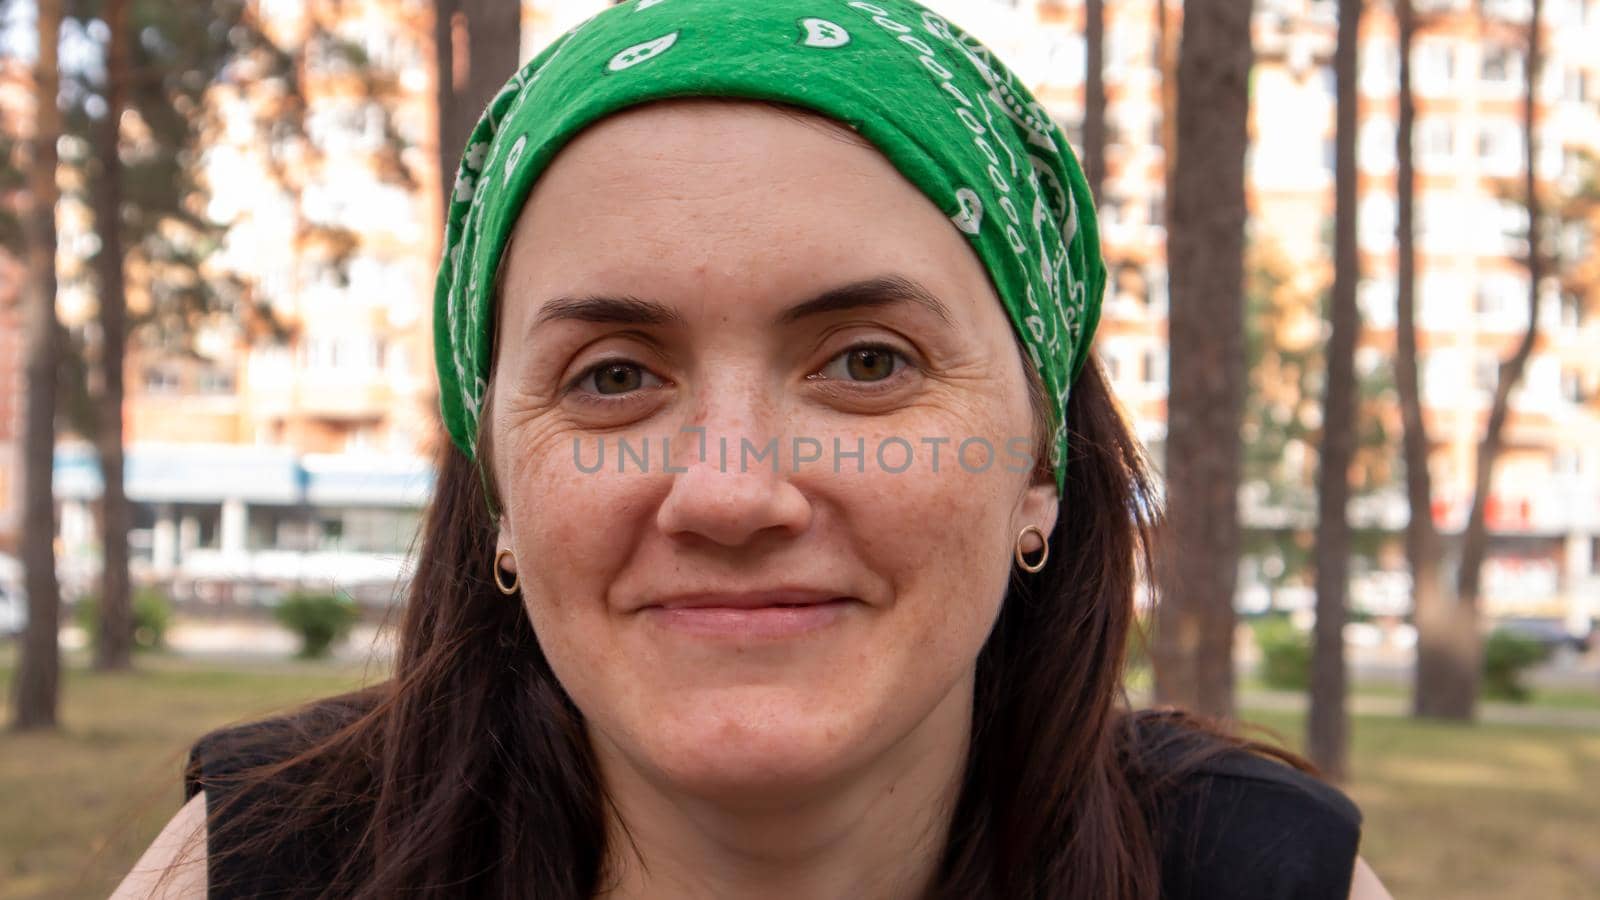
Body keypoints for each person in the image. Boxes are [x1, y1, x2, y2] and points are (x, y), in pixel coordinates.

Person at [114, 1, 1393, 897]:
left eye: (868, 363)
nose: (729, 493)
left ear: (1040, 469)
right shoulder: (261, 867)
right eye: (613, 377)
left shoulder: (1258, 876)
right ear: (498, 490)